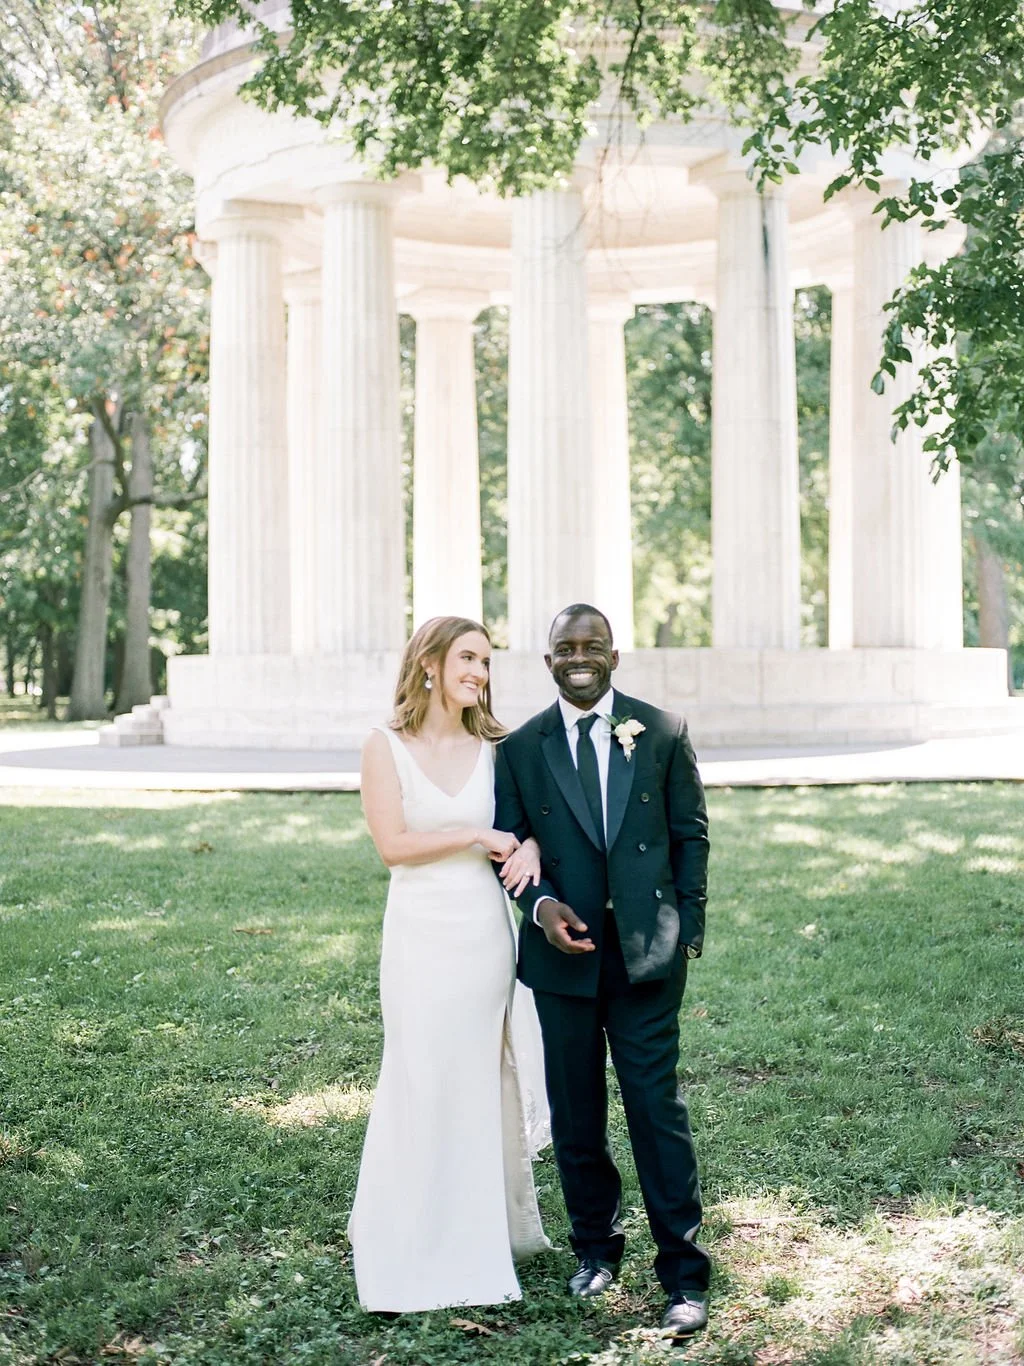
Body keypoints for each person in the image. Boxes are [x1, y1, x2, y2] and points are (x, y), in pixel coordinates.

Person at [494, 603, 712, 1341]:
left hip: (646, 955)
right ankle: (595, 1248)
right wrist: (544, 904)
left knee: (656, 1111)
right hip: (564, 960)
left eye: (592, 645)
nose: (579, 656)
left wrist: (687, 928)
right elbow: (512, 849)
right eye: (565, 647)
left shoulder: (663, 731)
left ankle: (683, 1271)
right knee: (576, 1112)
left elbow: (690, 835)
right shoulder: (521, 747)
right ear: (547, 660)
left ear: (615, 657)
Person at [349, 615, 551, 1313]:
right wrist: (474, 833)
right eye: (468, 657)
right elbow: (393, 846)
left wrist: (529, 850)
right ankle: (406, 1234)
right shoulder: (385, 745)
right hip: (418, 933)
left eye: (487, 662)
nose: (480, 672)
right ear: (430, 663)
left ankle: (477, 1240)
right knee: (419, 1074)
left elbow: (531, 827)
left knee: (474, 1079)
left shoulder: (495, 747)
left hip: (482, 936)